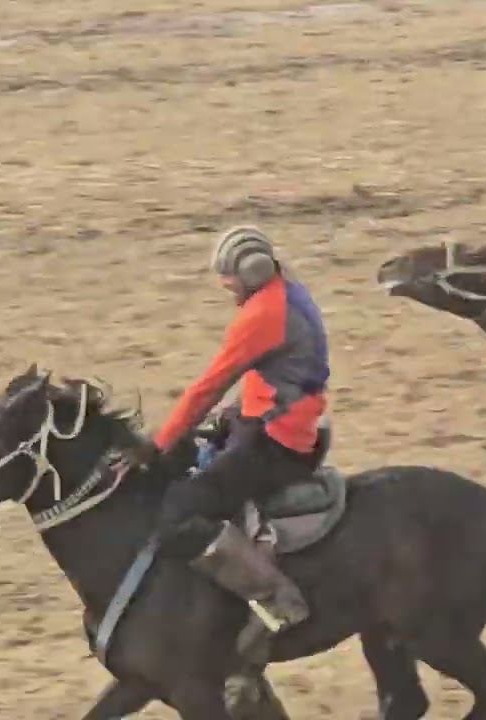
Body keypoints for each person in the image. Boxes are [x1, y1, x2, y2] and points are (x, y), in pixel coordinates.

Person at [122, 225, 331, 666]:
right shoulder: (285, 289)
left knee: (179, 512)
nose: (224, 285)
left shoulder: (261, 316)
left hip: (276, 442)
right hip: (268, 419)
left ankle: (277, 599)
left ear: (251, 272)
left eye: (228, 277)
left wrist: (156, 446)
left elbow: (206, 387)